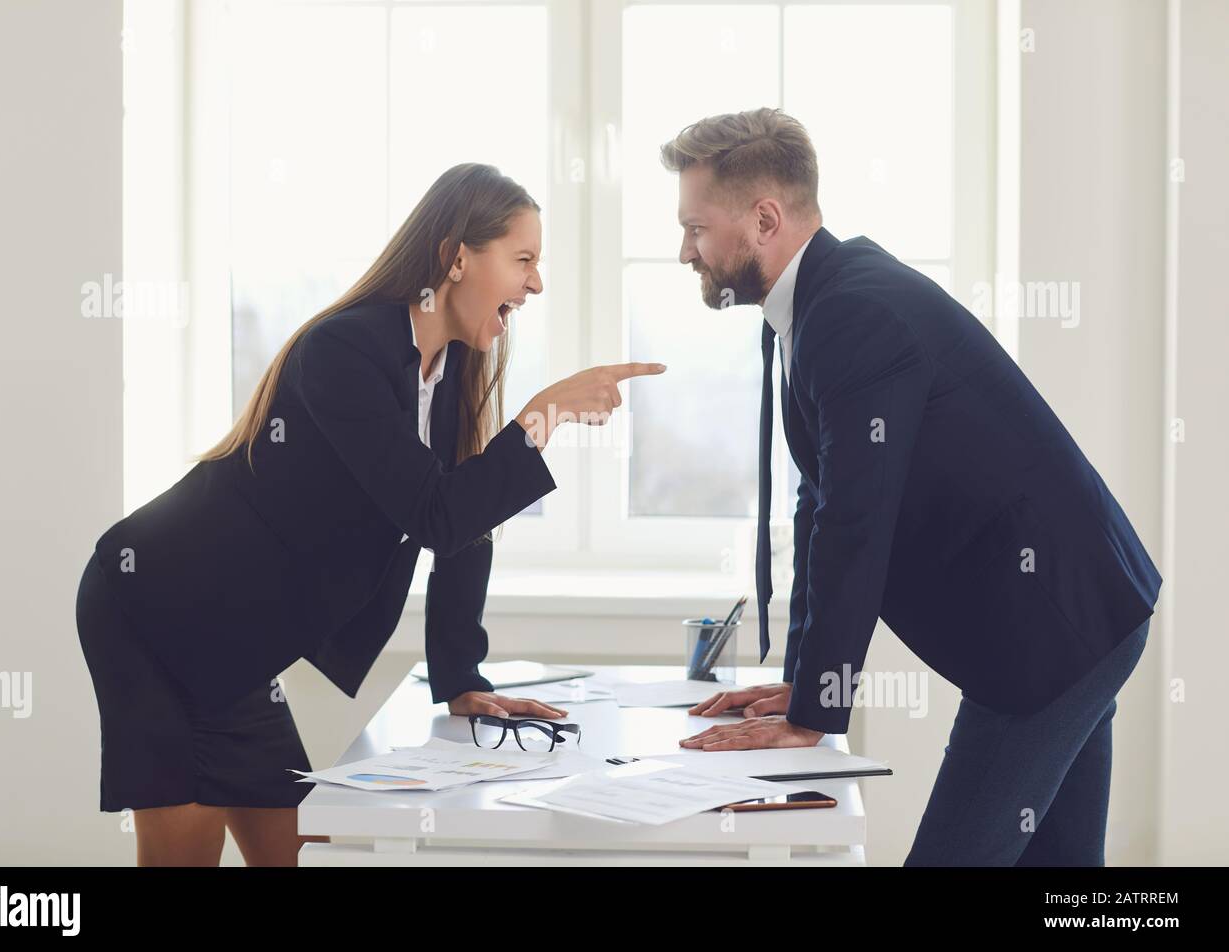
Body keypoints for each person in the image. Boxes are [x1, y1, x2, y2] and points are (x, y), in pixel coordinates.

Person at [75, 162, 665, 865]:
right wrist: (545, 414)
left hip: (243, 641)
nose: (535, 283)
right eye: (523, 260)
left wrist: (462, 677)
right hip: (157, 608)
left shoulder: (444, 373)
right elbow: (435, 512)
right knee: (186, 854)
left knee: (290, 852)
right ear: (455, 258)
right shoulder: (343, 351)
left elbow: (463, 528)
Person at [662, 109, 1160, 865]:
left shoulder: (849, 314)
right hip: (1075, 609)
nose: (683, 252)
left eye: (695, 229)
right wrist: (804, 685)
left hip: (1057, 625)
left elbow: (855, 524)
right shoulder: (814, 304)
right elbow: (821, 501)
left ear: (763, 219)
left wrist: (814, 710)